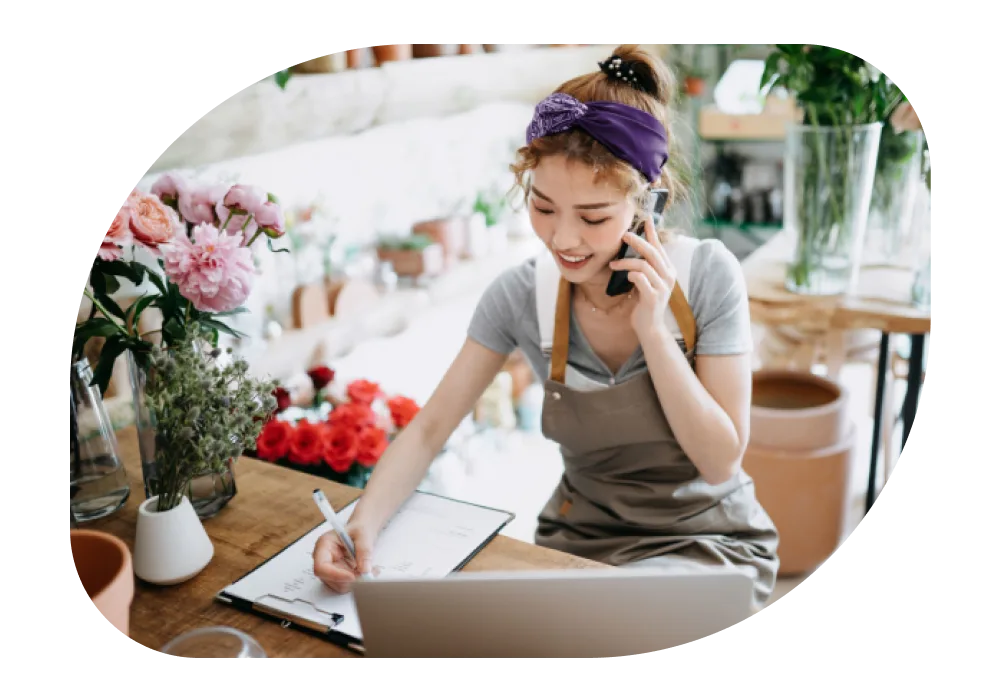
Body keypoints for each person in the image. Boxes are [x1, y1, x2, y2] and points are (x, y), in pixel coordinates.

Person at [313, 45, 780, 612]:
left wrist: (655, 334)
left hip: (709, 547)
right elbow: (431, 427)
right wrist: (360, 524)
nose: (562, 239)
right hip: (582, 551)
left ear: (647, 202)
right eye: (542, 206)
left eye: (593, 216)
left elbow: (720, 461)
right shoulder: (519, 296)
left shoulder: (707, 276)